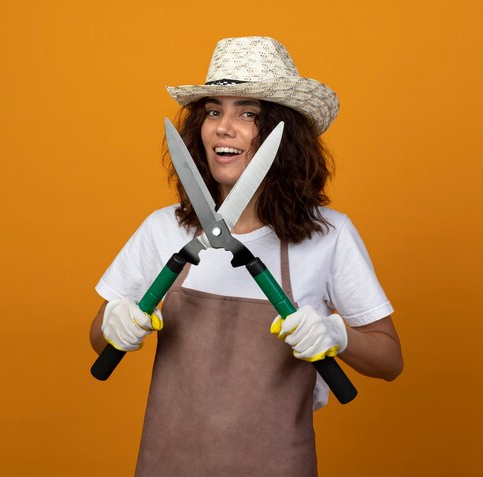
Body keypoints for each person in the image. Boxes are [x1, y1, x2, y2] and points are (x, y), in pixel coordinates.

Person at [90, 36, 403, 476]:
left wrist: (338, 336)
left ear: (282, 134)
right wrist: (113, 323)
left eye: (248, 113)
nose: (223, 126)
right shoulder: (164, 228)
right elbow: (98, 338)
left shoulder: (329, 237)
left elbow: (390, 360)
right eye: (214, 111)